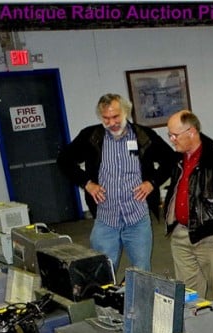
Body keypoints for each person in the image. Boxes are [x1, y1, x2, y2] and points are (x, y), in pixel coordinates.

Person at [57, 93, 173, 274]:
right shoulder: (91, 137)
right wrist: (87, 183)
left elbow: (170, 160)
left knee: (142, 272)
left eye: (116, 116)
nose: (112, 122)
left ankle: (140, 302)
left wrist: (152, 183)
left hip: (137, 219)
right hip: (106, 219)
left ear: (126, 112)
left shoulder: (143, 136)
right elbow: (64, 160)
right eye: (106, 118)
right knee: (102, 273)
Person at [162, 110, 213, 330]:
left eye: (175, 135)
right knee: (189, 294)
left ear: (191, 132)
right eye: (169, 135)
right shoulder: (177, 159)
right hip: (181, 235)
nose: (171, 140)